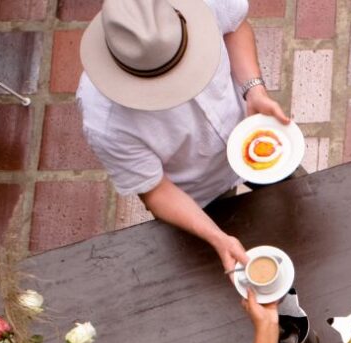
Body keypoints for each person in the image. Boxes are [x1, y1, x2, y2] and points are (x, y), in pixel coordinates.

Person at [77, 0, 291, 272]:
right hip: (199, 195)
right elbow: (155, 189)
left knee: (300, 203)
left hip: (254, 131)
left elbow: (235, 28)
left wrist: (254, 90)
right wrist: (217, 238)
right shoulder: (104, 120)